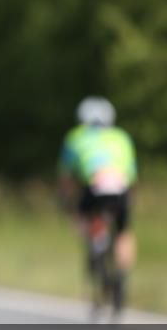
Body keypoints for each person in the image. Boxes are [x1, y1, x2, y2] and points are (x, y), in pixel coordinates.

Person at [57, 96, 137, 318]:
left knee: (83, 222)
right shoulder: (121, 137)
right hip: (120, 190)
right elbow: (131, 175)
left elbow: (67, 177)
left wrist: (66, 203)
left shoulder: (75, 137)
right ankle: (121, 275)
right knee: (124, 233)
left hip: (94, 189)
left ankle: (95, 249)